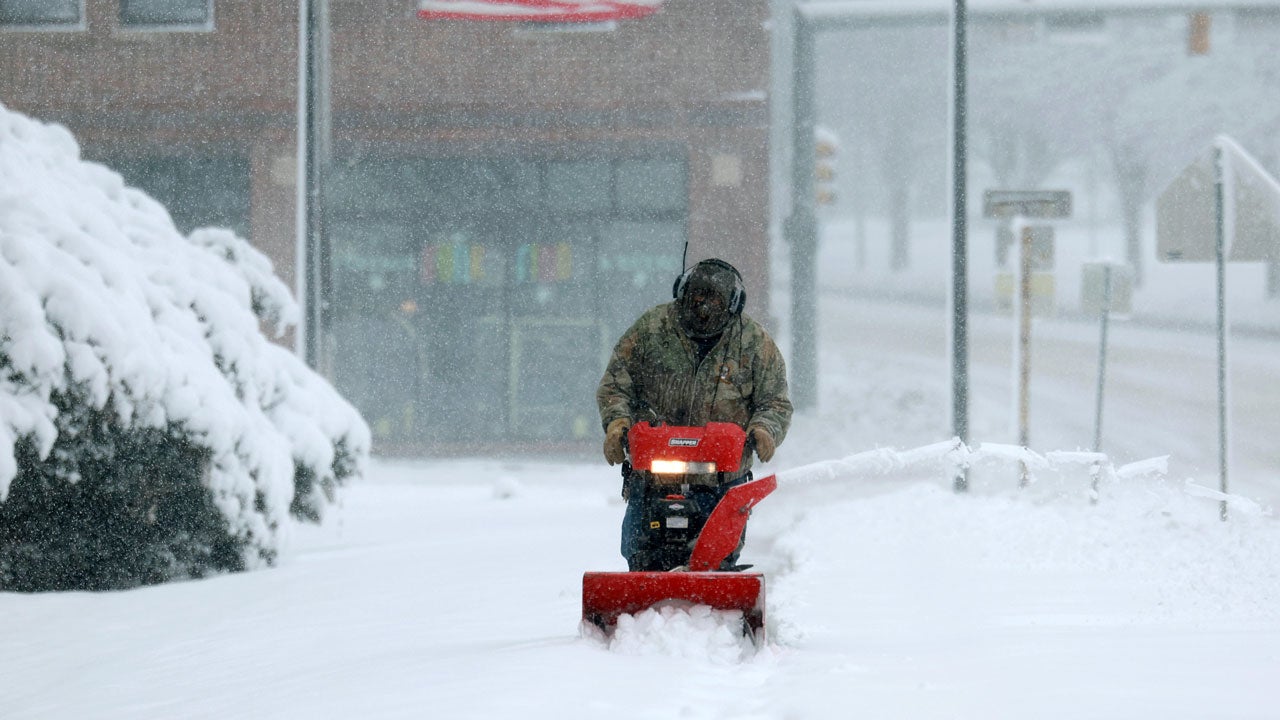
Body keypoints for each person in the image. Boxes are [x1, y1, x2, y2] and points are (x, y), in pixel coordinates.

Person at [596, 257, 793, 571]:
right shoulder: (651, 329)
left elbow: (775, 402)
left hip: (722, 480)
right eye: (697, 295)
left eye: (714, 298)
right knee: (641, 553)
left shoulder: (755, 344)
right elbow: (617, 383)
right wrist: (617, 423)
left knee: (717, 559)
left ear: (732, 305)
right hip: (652, 475)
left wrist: (764, 430)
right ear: (682, 293)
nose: (703, 305)